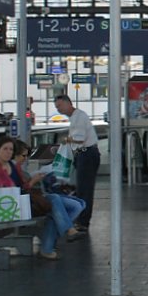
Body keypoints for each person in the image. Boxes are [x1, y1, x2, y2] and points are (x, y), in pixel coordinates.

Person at [0, 137, 64, 259]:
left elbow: (20, 188)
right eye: (5, 149)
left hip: (17, 203)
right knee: (54, 203)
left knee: (57, 204)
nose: (8, 152)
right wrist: (32, 182)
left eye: (11, 149)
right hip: (8, 208)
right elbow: (6, 189)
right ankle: (61, 234)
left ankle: (61, 233)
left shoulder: (10, 166)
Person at [12, 140, 87, 255]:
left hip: (34, 199)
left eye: (27, 155)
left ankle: (56, 236)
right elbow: (19, 190)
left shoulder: (17, 168)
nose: (26, 159)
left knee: (78, 205)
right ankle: (66, 232)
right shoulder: (12, 169)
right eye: (23, 155)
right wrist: (33, 181)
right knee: (56, 202)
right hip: (27, 202)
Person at [54, 94, 100, 233]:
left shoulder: (79, 117)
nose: (58, 109)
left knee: (84, 189)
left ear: (69, 103)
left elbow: (79, 139)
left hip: (87, 155)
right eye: (57, 107)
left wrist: (66, 140)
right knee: (81, 189)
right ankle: (81, 219)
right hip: (84, 155)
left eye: (60, 106)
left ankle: (83, 222)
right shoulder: (76, 117)